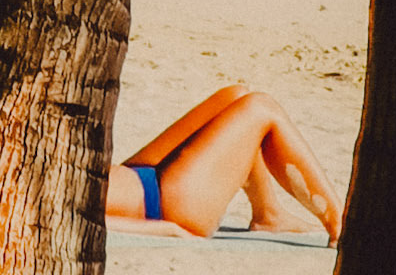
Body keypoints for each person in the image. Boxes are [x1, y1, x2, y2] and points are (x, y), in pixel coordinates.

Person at [106, 84, 342, 241]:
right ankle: (342, 226)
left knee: (235, 96)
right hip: (168, 205)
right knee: (262, 107)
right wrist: (168, 230)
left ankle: (268, 214)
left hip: (139, 175)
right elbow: (82, 219)